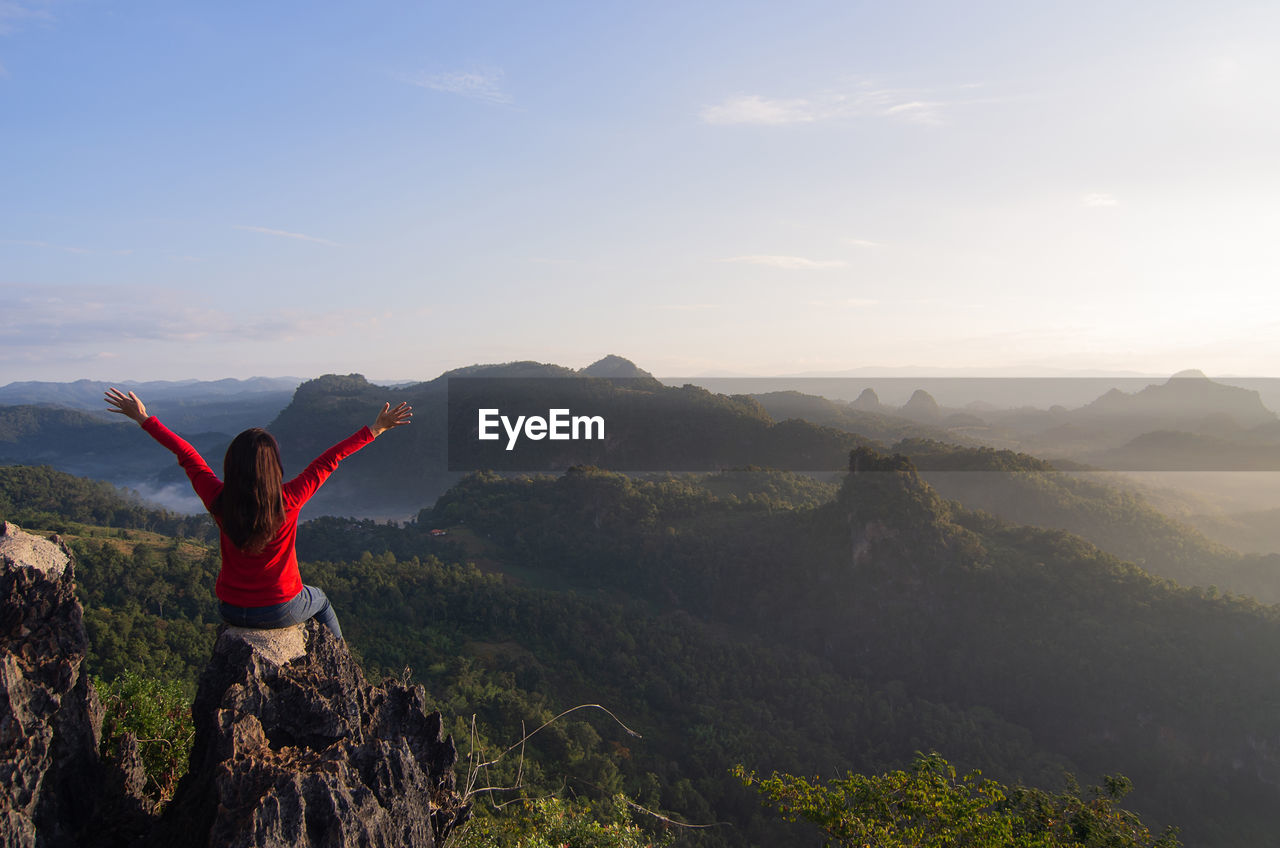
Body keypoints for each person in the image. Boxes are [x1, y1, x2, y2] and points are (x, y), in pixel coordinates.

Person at [104, 387, 412, 640]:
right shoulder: (289, 499)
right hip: (280, 608)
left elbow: (187, 454)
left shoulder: (218, 499)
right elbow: (329, 460)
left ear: (232, 465)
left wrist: (143, 418)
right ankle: (341, 664)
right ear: (273, 467)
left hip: (231, 609)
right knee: (320, 600)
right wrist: (375, 429)